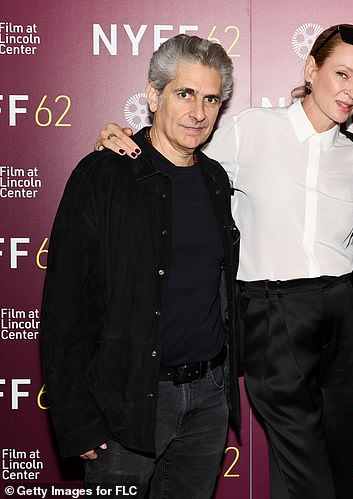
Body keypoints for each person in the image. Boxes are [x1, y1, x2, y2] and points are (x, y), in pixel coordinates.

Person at [95, 24, 353, 499]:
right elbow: (177, 152)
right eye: (342, 74)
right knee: (305, 476)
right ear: (311, 69)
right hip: (274, 314)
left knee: (340, 468)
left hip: (341, 315)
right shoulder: (251, 128)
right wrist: (123, 139)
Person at [40, 34, 239, 498]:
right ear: (153, 95)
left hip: (207, 398)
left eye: (211, 99)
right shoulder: (102, 175)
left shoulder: (215, 179)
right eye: (184, 93)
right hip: (125, 402)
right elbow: (63, 306)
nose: (198, 112)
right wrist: (75, 418)